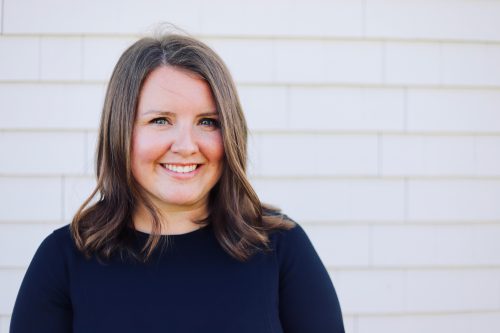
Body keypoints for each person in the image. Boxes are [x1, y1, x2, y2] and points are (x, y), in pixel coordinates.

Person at [10, 33, 345, 333]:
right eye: (160, 120)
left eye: (208, 122)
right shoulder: (63, 260)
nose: (186, 145)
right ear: (121, 132)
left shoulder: (279, 247)